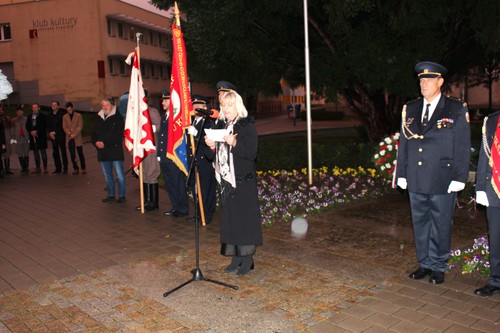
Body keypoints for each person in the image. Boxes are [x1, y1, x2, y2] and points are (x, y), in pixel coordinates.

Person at [396, 61, 471, 285]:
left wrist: (459, 177)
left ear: (440, 82)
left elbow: (462, 146)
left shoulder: (455, 109)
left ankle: (438, 265)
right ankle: (425, 264)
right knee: (420, 222)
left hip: (443, 178)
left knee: (440, 222)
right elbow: (405, 143)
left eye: (429, 80)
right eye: (421, 80)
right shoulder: (411, 108)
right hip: (416, 177)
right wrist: (401, 173)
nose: (424, 83)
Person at [204, 87, 263, 276]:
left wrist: (235, 143)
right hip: (227, 184)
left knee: (244, 221)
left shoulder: (246, 126)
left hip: (243, 182)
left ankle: (247, 259)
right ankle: (235, 257)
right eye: (223, 105)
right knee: (231, 222)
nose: (227, 108)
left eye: (230, 105)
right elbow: (211, 158)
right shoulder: (221, 126)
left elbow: (251, 153)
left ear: (237, 105)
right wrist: (211, 146)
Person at [474, 111, 500, 297]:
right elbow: (485, 154)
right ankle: (496, 279)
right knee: (497, 238)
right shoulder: (492, 120)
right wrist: (480, 188)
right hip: (495, 187)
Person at [158, 90, 189, 218]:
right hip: (165, 156)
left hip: (173, 156)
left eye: (165, 100)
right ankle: (175, 206)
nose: (163, 102)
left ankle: (183, 208)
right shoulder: (165, 116)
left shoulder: (176, 118)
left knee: (178, 183)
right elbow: (162, 137)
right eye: (163, 100)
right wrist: (159, 154)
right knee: (169, 184)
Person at [187, 95, 217, 224]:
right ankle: (199, 213)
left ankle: (206, 215)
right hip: (194, 162)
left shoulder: (208, 123)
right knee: (196, 191)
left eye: (199, 106)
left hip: (205, 162)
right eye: (194, 105)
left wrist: (197, 134)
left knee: (206, 191)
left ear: (205, 108)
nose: (196, 108)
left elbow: (210, 143)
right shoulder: (192, 122)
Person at [92, 98, 126, 203]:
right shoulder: (98, 117)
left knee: (119, 175)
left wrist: (105, 143)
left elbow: (118, 134)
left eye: (107, 105)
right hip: (102, 152)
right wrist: (96, 142)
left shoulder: (118, 117)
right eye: (103, 105)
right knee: (107, 175)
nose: (105, 107)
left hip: (114, 151)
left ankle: (121, 195)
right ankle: (111, 194)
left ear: (112, 105)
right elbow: (94, 132)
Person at [135, 91, 161, 212]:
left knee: (151, 174)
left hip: (150, 147)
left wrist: (148, 128)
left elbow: (158, 127)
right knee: (144, 174)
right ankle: (146, 201)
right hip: (141, 148)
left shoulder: (152, 112)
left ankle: (153, 202)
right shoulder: (136, 114)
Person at [62, 102, 86, 175]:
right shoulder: (65, 117)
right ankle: (75, 168)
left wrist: (74, 134)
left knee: (80, 153)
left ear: (72, 108)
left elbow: (80, 126)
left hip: (77, 136)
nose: (69, 111)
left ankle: (83, 167)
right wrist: (69, 133)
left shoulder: (78, 115)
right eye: (67, 110)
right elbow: (64, 127)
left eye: (70, 109)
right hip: (69, 137)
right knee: (72, 154)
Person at [26, 103, 48, 174]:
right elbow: (27, 126)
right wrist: (31, 132)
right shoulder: (29, 116)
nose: (34, 109)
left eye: (36, 107)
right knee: (35, 154)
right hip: (33, 137)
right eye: (33, 107)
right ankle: (37, 168)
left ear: (39, 108)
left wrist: (37, 131)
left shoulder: (43, 116)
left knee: (43, 153)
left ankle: (45, 168)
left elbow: (44, 126)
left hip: (41, 137)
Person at [47, 100, 68, 174]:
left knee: (63, 152)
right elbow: (48, 125)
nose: (53, 106)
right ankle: (58, 168)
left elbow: (63, 126)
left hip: (61, 136)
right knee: (55, 153)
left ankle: (65, 168)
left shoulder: (63, 114)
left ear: (58, 106)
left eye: (55, 105)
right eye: (52, 105)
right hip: (53, 137)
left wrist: (55, 132)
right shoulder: (49, 115)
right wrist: (50, 132)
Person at [11, 106, 30, 173]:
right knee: (19, 153)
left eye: (21, 111)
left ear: (23, 112)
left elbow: (29, 128)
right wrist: (13, 138)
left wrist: (29, 137)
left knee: (26, 152)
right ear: (16, 113)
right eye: (18, 112)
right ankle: (23, 167)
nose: (20, 113)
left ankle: (26, 167)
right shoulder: (13, 120)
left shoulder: (27, 119)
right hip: (18, 138)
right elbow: (12, 129)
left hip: (25, 137)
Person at [0, 104, 14, 175]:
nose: (0, 111)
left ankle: (7, 169)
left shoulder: (8, 119)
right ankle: (1, 170)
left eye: (1, 109)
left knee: (7, 154)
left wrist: (11, 137)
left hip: (7, 139)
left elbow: (12, 129)